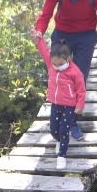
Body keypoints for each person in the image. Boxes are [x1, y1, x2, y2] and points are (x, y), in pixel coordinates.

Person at [32, 0, 97, 139]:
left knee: (79, 78)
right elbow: (45, 14)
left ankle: (73, 121)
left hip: (86, 36)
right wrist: (39, 31)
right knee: (59, 73)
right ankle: (57, 115)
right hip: (62, 33)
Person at [33, 34, 85, 169]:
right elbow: (44, 50)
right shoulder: (51, 64)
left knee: (64, 130)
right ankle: (59, 140)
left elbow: (81, 91)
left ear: (68, 59)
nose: (56, 66)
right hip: (55, 104)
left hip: (69, 106)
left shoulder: (75, 72)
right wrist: (38, 39)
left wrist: (79, 105)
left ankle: (62, 155)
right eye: (54, 64)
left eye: (60, 64)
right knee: (53, 129)